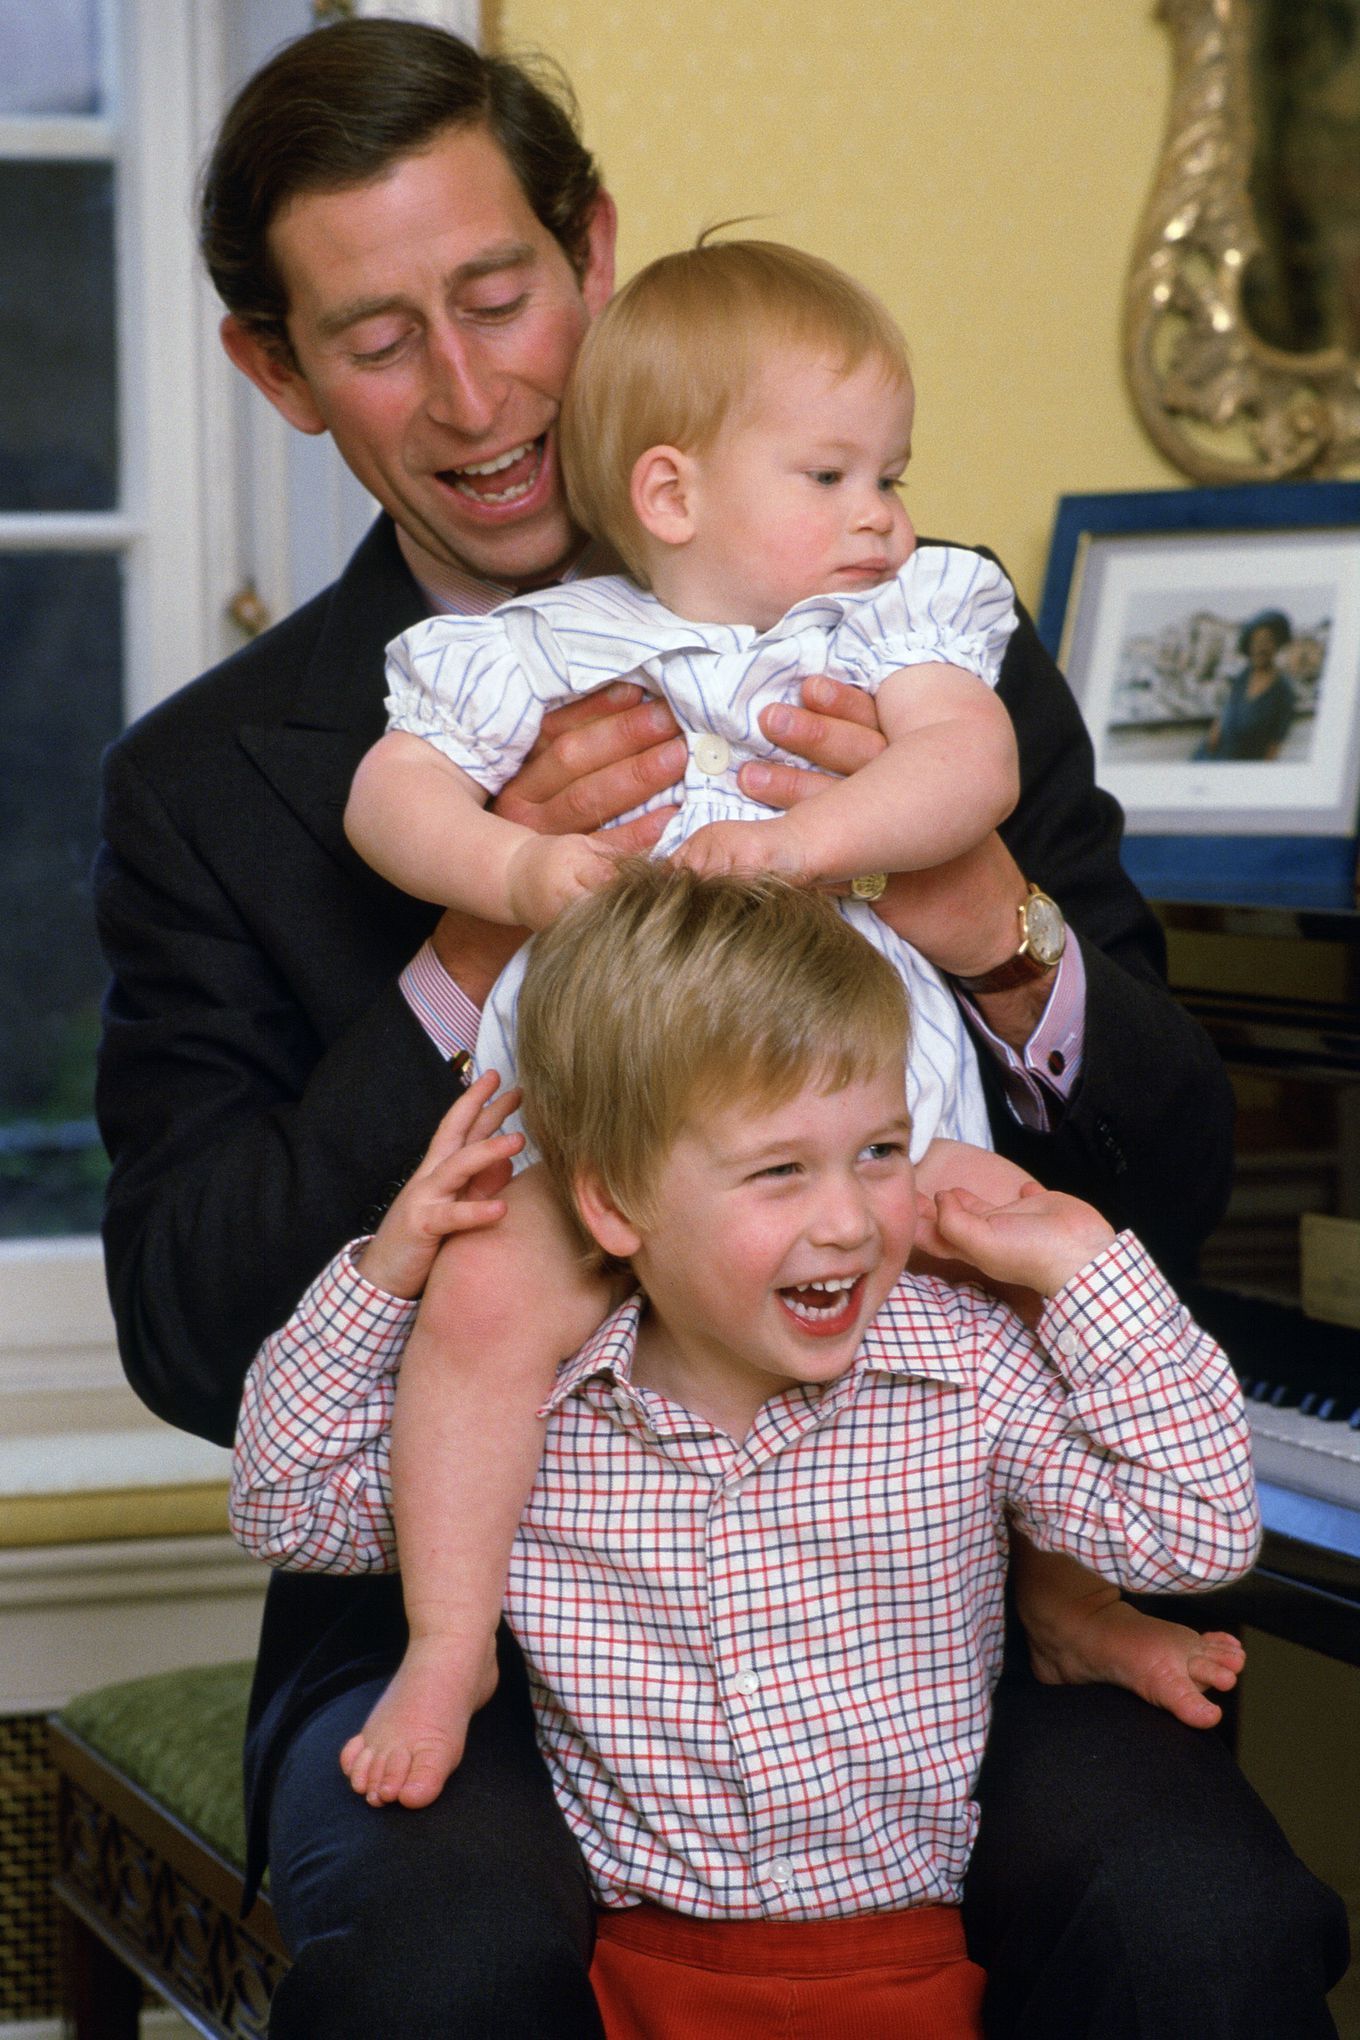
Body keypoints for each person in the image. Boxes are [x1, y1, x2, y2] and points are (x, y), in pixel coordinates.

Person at [92, 17, 1348, 2036]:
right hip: (484, 1576)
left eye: (500, 298)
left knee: (1205, 1931)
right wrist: (476, 948)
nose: (480, 391)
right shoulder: (220, 782)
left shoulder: (908, 623)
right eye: (380, 337)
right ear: (278, 373)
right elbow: (180, 1327)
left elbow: (1180, 1176)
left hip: (931, 1541)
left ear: (591, 256)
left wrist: (987, 927)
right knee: (442, 1970)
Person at [335, 236, 1242, 1813]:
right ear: (674, 495)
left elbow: (970, 771)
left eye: (891, 471)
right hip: (606, 1104)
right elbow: (390, 794)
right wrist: (521, 865)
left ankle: (1065, 1593)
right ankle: (447, 1634)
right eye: (832, 474)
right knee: (482, 1308)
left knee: (990, 1294)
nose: (883, 512)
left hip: (855, 1094)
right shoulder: (542, 647)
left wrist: (817, 844)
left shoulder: (898, 624)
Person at [230, 861, 1262, 2040]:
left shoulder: (961, 1371)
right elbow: (287, 1508)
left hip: (915, 1979)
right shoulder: (533, 1422)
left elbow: (1197, 1531)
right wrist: (388, 1270)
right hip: (624, 1986)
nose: (847, 1218)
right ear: (613, 1206)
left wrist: (1082, 1264)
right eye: (779, 1171)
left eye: (880, 1151)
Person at [1192, 609, 1298, 762]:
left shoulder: (1283, 691)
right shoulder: (1244, 675)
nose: (1260, 648)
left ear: (1277, 644)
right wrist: (1213, 735)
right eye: (1255, 642)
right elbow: (1227, 709)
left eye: (1267, 641)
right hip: (1211, 756)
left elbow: (1275, 744)